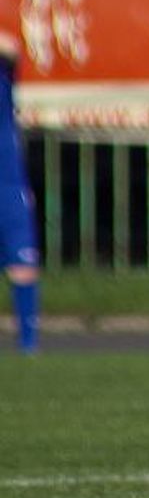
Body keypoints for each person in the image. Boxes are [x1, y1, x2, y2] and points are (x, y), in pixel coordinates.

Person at [0, 33, 40, 354]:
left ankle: (28, 344)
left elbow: (10, 47)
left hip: (8, 183)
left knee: (22, 264)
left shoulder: (4, 71)